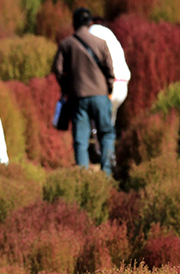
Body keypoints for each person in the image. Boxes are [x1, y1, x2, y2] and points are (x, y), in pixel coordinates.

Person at [52, 8, 116, 176]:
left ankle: (82, 176)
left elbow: (57, 69)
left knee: (80, 139)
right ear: (89, 23)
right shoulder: (101, 43)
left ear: (73, 24)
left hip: (78, 96)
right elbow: (110, 70)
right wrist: (108, 88)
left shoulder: (66, 44)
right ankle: (107, 175)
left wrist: (67, 88)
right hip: (100, 95)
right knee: (106, 134)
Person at [89, 18, 129, 126]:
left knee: (95, 122)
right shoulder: (112, 37)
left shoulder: (93, 31)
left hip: (108, 86)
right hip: (122, 85)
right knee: (109, 123)